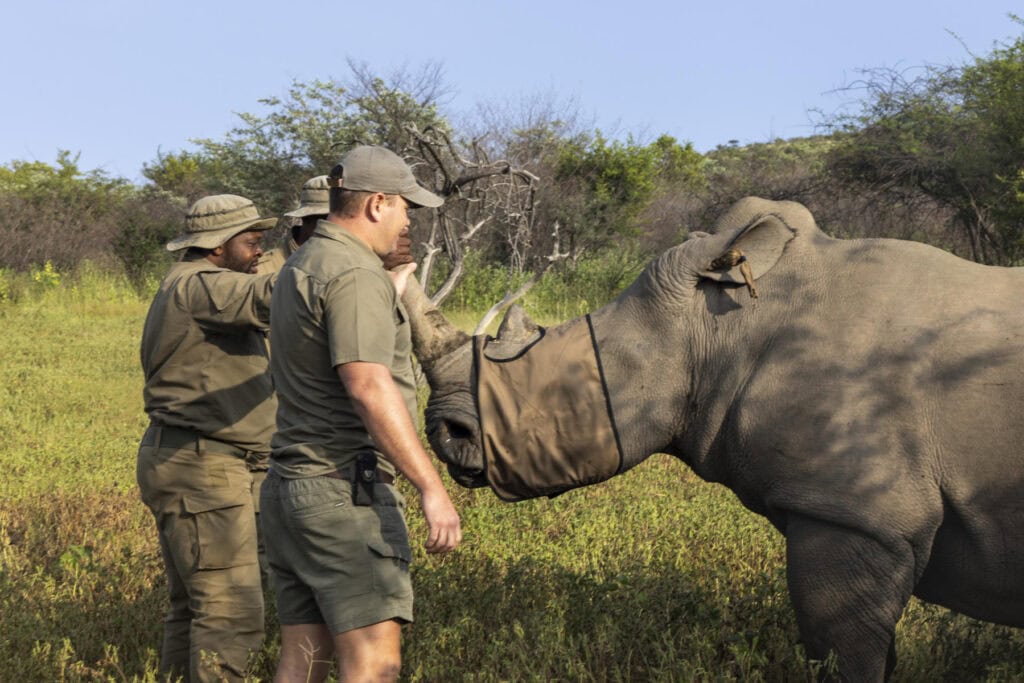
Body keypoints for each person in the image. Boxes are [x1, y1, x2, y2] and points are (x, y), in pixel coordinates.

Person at [261, 145, 462, 683]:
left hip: (290, 488)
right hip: (343, 491)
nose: (406, 221)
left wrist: (388, 294)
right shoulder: (353, 274)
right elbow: (369, 387)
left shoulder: (304, 263)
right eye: (404, 207)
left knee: (304, 662)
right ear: (376, 203)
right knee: (374, 664)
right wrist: (431, 486)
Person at [136, 194, 277, 682]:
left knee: (194, 609)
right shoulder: (204, 285)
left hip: (190, 459)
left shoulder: (187, 283)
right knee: (230, 614)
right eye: (252, 242)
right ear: (218, 247)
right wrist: (342, 253)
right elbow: (274, 298)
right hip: (204, 467)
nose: (260, 251)